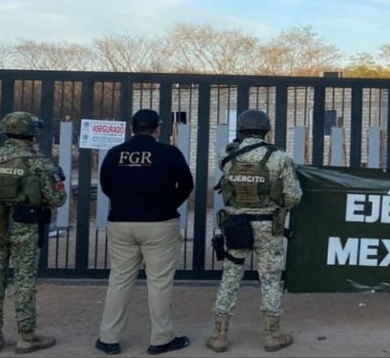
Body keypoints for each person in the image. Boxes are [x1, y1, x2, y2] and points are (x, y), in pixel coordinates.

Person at [0, 111, 67, 354]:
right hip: (26, 227)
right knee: (24, 281)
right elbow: (57, 199)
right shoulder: (39, 163)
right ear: (32, 135)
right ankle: (26, 337)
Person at [95, 109, 194, 355]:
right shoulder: (169, 153)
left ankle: (108, 338)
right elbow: (187, 184)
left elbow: (106, 185)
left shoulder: (115, 153)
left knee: (119, 280)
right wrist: (168, 204)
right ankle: (161, 338)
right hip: (159, 223)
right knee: (159, 282)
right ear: (157, 129)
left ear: (132, 128)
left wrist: (124, 203)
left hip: (121, 222)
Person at [206, 109, 303, 353]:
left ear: (241, 130)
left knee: (230, 275)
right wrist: (276, 204)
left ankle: (219, 335)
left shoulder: (227, 156)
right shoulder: (279, 157)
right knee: (270, 278)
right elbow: (293, 196)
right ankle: (272, 335)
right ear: (266, 130)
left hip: (236, 224)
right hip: (268, 225)